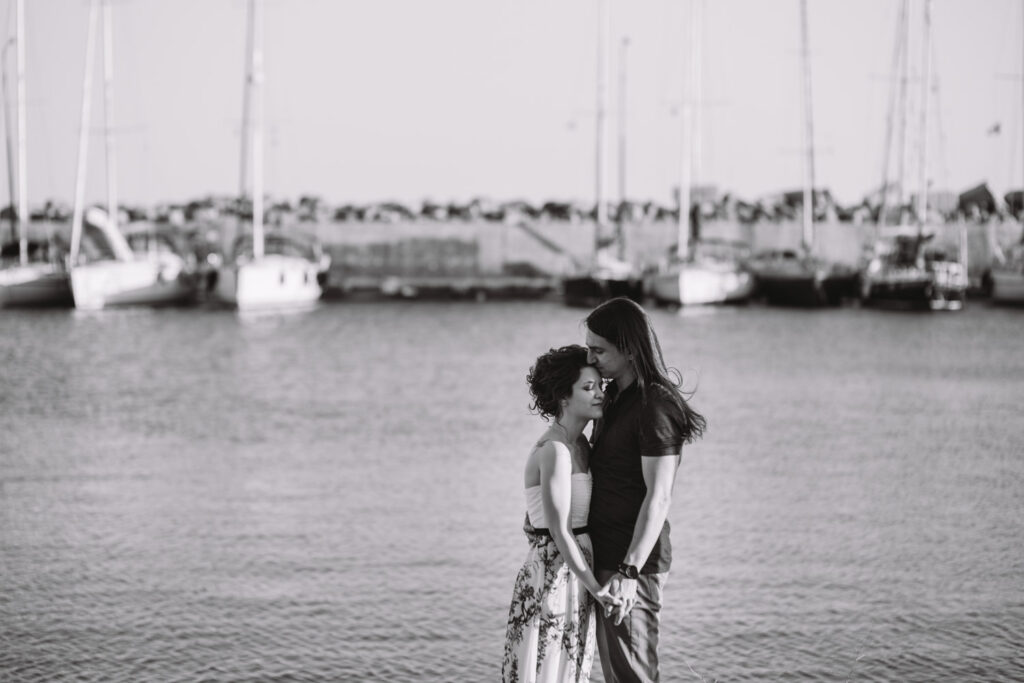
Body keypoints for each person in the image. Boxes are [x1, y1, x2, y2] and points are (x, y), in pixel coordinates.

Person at [584, 297, 706, 682]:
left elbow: (660, 495)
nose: (590, 358)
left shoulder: (655, 405)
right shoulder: (614, 397)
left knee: (633, 677)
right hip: (606, 556)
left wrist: (629, 571)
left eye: (598, 350)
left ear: (629, 349)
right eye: (588, 348)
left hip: (631, 562)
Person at [503, 345, 620, 683]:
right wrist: (597, 589)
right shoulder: (554, 449)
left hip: (576, 571)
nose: (600, 394)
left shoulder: (581, 445)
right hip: (552, 574)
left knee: (570, 668)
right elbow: (559, 530)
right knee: (547, 669)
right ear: (563, 397)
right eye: (588, 387)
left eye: (600, 386)